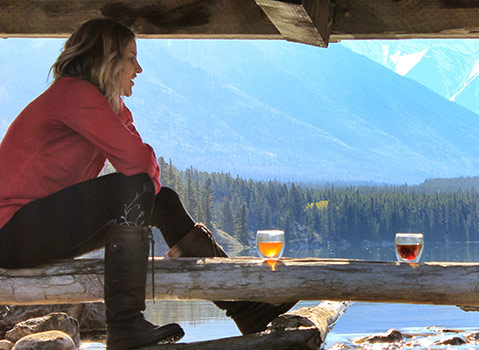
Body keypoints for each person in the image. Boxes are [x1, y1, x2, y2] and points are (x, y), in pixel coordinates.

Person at [0, 18, 295, 350]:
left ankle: (247, 309)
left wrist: (124, 126)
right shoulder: (73, 92)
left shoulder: (102, 104)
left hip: (37, 232)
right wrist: (139, 177)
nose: (138, 69)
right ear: (107, 60)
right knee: (137, 187)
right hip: (11, 234)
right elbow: (140, 167)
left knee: (162, 201)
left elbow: (147, 180)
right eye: (130, 57)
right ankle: (126, 325)